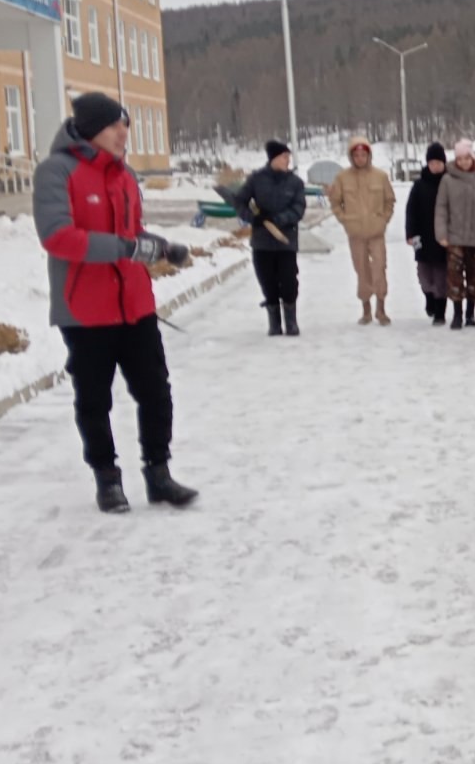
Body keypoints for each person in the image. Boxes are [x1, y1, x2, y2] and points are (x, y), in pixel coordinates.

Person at [33, 92, 198, 513]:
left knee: (156, 393)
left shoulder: (124, 175)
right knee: (94, 400)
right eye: (116, 125)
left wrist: (161, 248)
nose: (124, 133)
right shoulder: (56, 172)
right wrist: (124, 247)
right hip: (85, 312)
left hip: (136, 306)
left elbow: (132, 231)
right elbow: (58, 237)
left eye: (125, 125)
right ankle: (107, 480)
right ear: (92, 130)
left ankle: (158, 475)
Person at [226, 140, 308, 337]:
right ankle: (274, 323)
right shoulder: (256, 179)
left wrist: (278, 219)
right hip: (262, 241)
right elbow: (240, 202)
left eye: (288, 157)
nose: (288, 160)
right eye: (284, 157)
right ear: (273, 158)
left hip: (285, 240)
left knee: (289, 281)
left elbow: (299, 208)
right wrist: (254, 218)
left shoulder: (295, 183)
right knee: (267, 281)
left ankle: (291, 321)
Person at [327, 135, 396, 326]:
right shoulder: (342, 178)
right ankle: (366, 308)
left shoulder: (380, 176)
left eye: (363, 155)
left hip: (376, 232)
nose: (360, 158)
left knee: (379, 268)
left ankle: (381, 308)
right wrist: (345, 220)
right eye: (356, 155)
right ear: (351, 157)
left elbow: (390, 200)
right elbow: (335, 203)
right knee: (361, 270)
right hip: (356, 233)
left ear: (369, 156)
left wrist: (383, 219)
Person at [434, 139, 475, 330]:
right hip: (455, 237)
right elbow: (441, 208)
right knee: (454, 277)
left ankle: (470, 313)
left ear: (472, 158)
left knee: (474, 277)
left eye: (466, 158)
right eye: (459, 158)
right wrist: (441, 233)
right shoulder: (447, 180)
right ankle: (457, 313)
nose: (463, 162)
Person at [404, 143, 450, 326]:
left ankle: (440, 312)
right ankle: (429, 296)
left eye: (439, 162)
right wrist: (410, 232)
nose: (435, 166)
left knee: (440, 276)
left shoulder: (448, 182)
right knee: (424, 274)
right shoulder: (419, 185)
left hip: (443, 236)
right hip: (422, 235)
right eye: (432, 162)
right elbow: (411, 210)